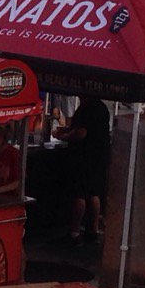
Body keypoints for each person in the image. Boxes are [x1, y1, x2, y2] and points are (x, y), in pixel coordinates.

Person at [53, 97, 110, 245]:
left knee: (79, 194)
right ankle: (93, 231)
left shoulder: (86, 108)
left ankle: (74, 233)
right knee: (93, 192)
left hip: (84, 157)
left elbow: (81, 132)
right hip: (99, 156)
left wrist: (64, 136)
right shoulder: (102, 107)